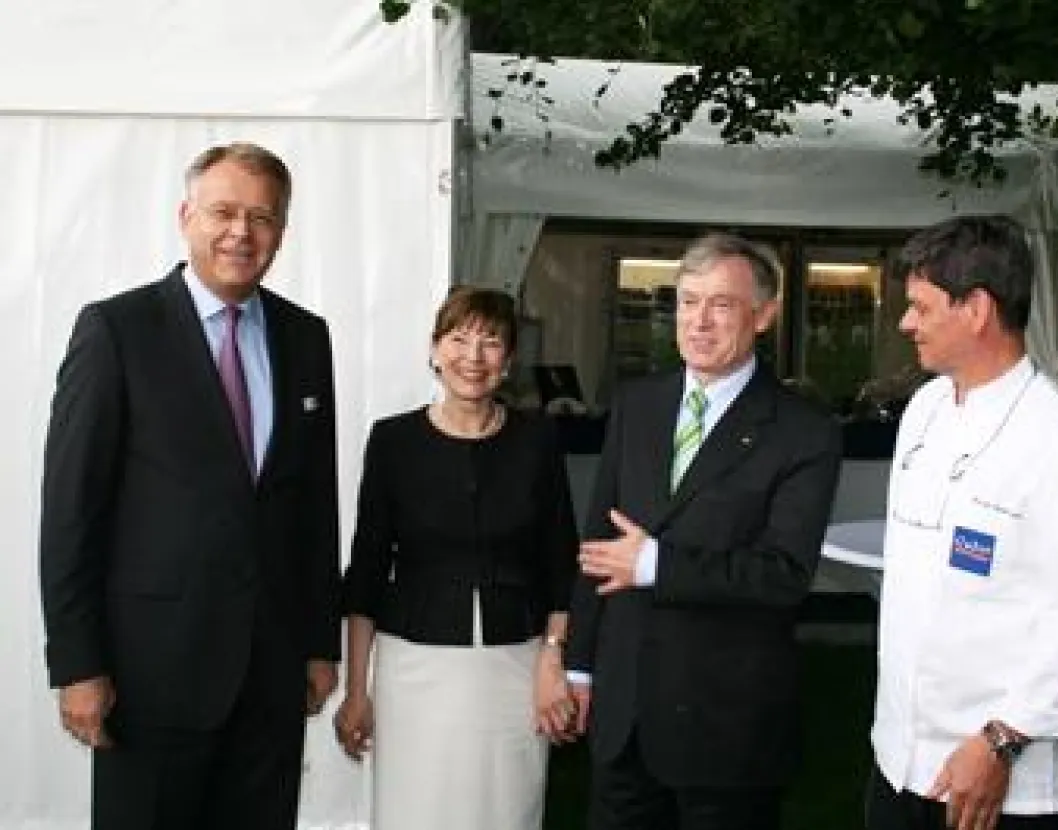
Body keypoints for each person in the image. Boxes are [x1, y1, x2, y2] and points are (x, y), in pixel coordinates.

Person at [38, 142, 341, 830]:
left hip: (271, 675)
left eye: (261, 217)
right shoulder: (117, 330)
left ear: (281, 233)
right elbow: (70, 513)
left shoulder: (306, 337)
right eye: (224, 211)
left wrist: (320, 644)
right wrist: (77, 663)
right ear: (186, 216)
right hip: (148, 675)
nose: (242, 232)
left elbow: (312, 504)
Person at [565, 232, 843, 830]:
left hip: (726, 736)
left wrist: (655, 565)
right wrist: (579, 669)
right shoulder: (637, 405)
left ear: (764, 315)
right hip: (625, 720)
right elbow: (597, 545)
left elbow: (784, 575)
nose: (699, 321)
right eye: (688, 301)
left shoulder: (803, 431)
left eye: (721, 304)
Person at [867, 215, 1058, 830]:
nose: (907, 323)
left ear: (977, 309)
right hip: (900, 758)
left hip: (1003, 782)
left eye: (921, 307)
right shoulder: (926, 409)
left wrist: (1000, 742)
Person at [334, 287, 580, 830]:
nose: (474, 356)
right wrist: (357, 690)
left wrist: (554, 660)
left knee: (507, 807)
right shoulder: (393, 441)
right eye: (459, 338)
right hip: (414, 669)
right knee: (417, 810)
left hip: (517, 665)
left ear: (509, 361)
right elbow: (367, 570)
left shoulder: (537, 441)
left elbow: (561, 561)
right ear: (434, 350)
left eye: (491, 342)